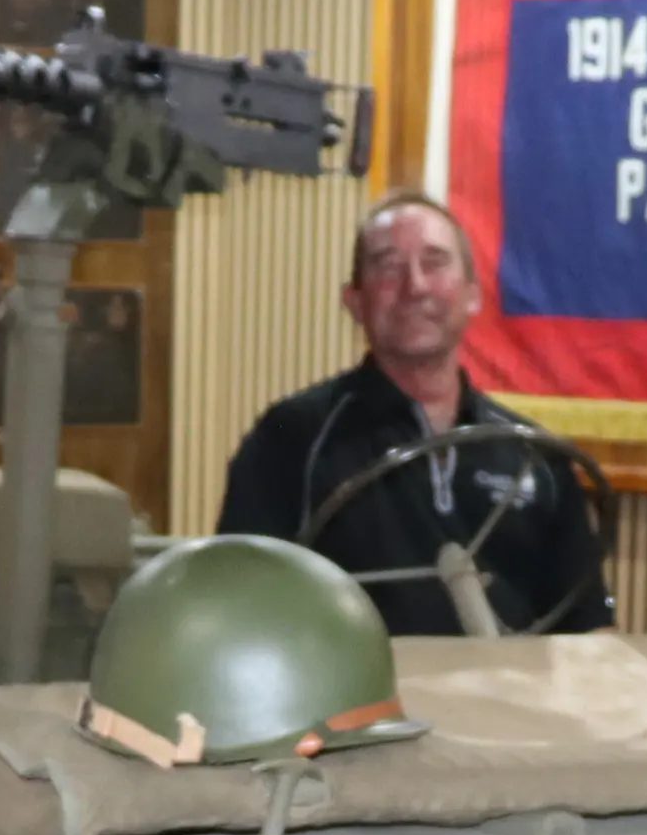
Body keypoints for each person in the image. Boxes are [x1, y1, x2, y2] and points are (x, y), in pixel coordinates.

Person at [218, 192, 610, 636]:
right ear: (354, 301)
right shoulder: (291, 440)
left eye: (436, 261)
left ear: (473, 295)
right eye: (387, 265)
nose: (415, 285)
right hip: (360, 702)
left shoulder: (533, 456)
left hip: (510, 699)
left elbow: (589, 630)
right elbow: (238, 610)